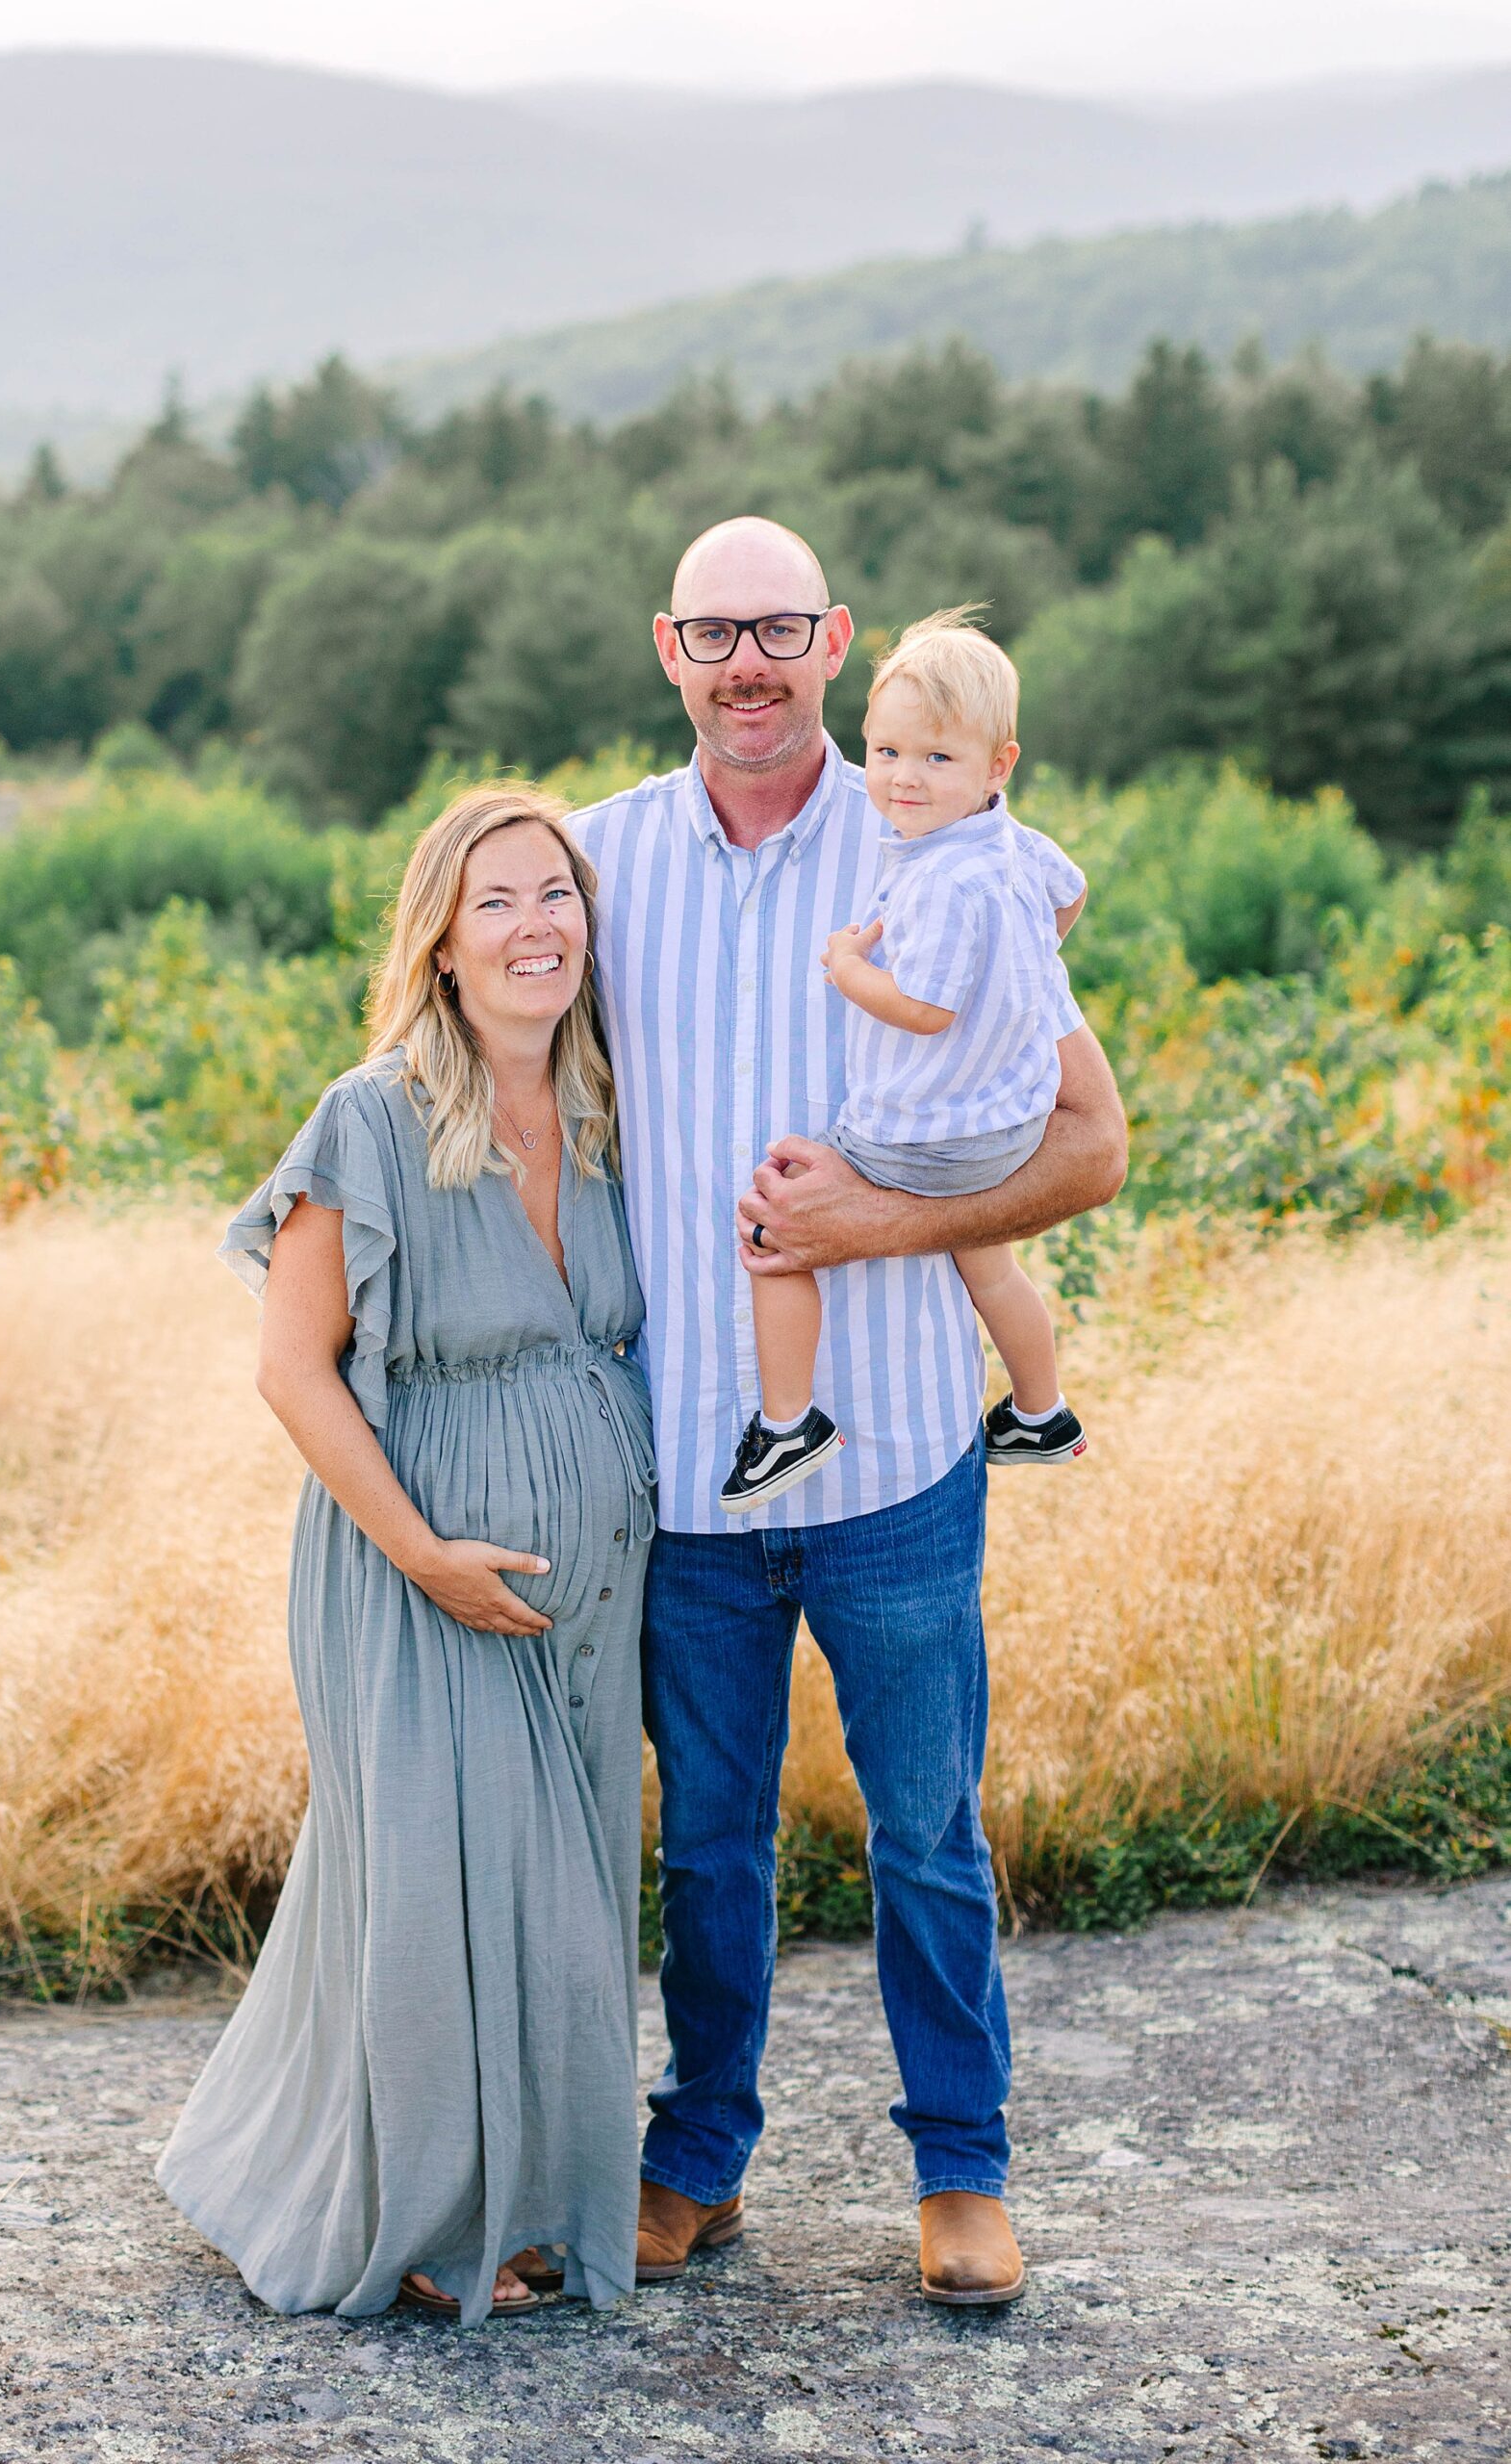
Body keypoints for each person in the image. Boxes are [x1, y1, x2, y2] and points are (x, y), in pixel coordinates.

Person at [568, 518, 1126, 2307]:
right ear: (668, 645)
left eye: (780, 629)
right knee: (709, 1845)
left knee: (923, 1831)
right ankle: (698, 2153)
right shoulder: (594, 863)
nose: (748, 661)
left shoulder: (936, 839)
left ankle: (961, 2167)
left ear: (838, 641)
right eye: (715, 630)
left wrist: (882, 1223)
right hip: (680, 1467)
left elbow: (1089, 1145)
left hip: (892, 1456)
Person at [156, 787, 655, 2330]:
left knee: (565, 1898)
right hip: (414, 1577)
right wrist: (428, 1553)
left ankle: (527, 2195)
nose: (534, 927)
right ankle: (435, 2219)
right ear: (439, 939)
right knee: (448, 1895)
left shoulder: (611, 1113)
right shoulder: (369, 1117)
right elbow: (293, 1368)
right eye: (495, 901)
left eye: (555, 895)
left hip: (591, 1593)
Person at [720, 606, 1088, 1516]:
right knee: (987, 1264)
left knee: (776, 1222)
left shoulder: (937, 879)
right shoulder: (1008, 843)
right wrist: (1021, 975)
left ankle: (785, 1423)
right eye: (885, 754)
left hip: (926, 1137)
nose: (902, 780)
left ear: (996, 763)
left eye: (935, 758)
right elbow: (1068, 897)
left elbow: (922, 1009)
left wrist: (849, 969)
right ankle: (1042, 1411)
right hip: (1002, 1120)